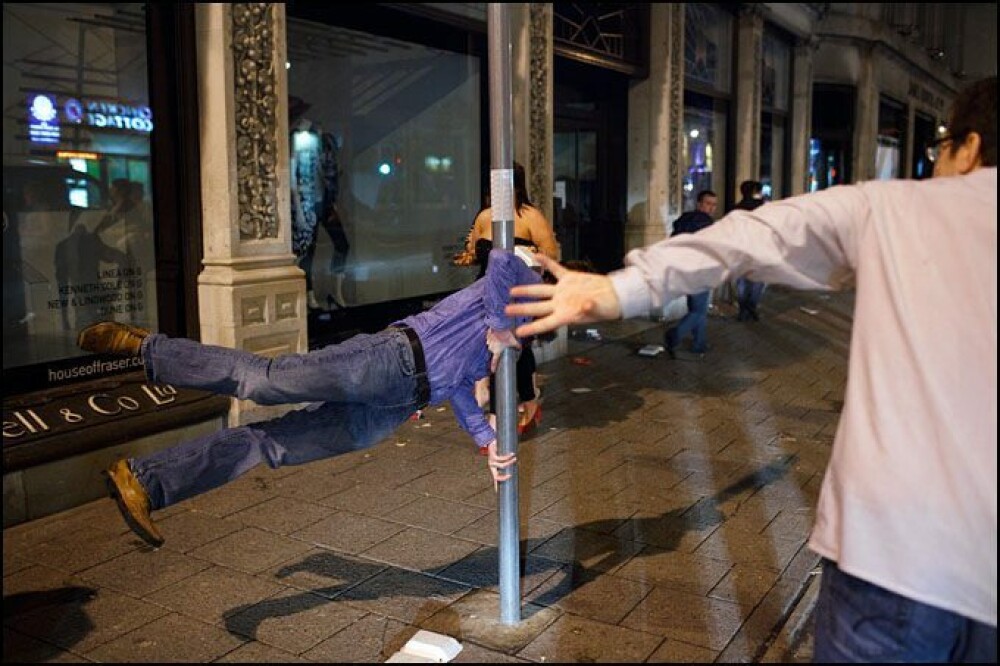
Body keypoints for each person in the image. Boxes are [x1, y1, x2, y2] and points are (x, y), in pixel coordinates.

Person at [507, 76, 997, 662]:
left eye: (942, 149)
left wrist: (618, 290)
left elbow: (752, 237)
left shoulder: (896, 208)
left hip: (896, 556)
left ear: (967, 148)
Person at [79, 247, 541, 548]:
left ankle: (145, 482)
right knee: (262, 381)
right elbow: (500, 258)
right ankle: (142, 347)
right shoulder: (527, 278)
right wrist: (501, 326)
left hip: (397, 406)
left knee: (273, 446)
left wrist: (485, 440)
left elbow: (459, 382)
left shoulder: (523, 329)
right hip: (390, 359)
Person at [466, 161, 559, 432]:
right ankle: (527, 402)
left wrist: (527, 258)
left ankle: (500, 418)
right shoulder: (485, 216)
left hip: (519, 295)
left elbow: (550, 254)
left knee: (512, 349)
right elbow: (472, 251)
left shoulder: (531, 217)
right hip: (486, 293)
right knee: (492, 349)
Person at [663, 189, 717, 359]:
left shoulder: (684, 219)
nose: (711, 208)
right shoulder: (706, 223)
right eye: (708, 204)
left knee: (696, 308)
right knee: (698, 311)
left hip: (684, 268)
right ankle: (675, 335)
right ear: (699, 204)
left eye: (714, 205)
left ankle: (699, 343)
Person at [732, 180, 767, 322]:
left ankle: (743, 310)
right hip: (759, 248)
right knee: (758, 280)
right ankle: (751, 307)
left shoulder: (736, 208)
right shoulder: (762, 207)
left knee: (742, 281)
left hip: (741, 248)